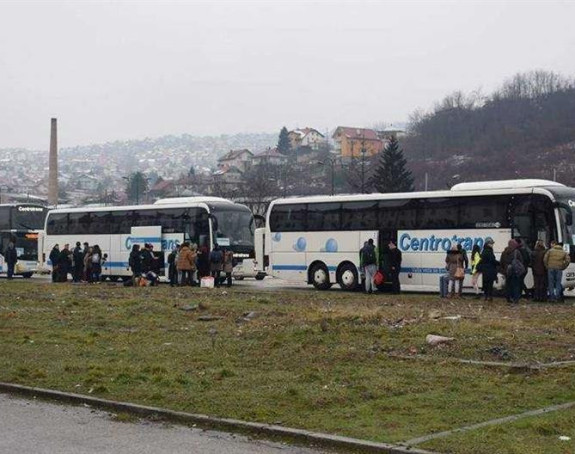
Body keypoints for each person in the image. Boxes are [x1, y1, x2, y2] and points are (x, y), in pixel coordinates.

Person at [502, 239, 524, 304]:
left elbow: (501, 262)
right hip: (515, 271)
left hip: (507, 271)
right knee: (516, 285)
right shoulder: (517, 252)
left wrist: (504, 270)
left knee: (508, 285)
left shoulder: (504, 252)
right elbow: (521, 261)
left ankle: (508, 298)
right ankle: (515, 299)